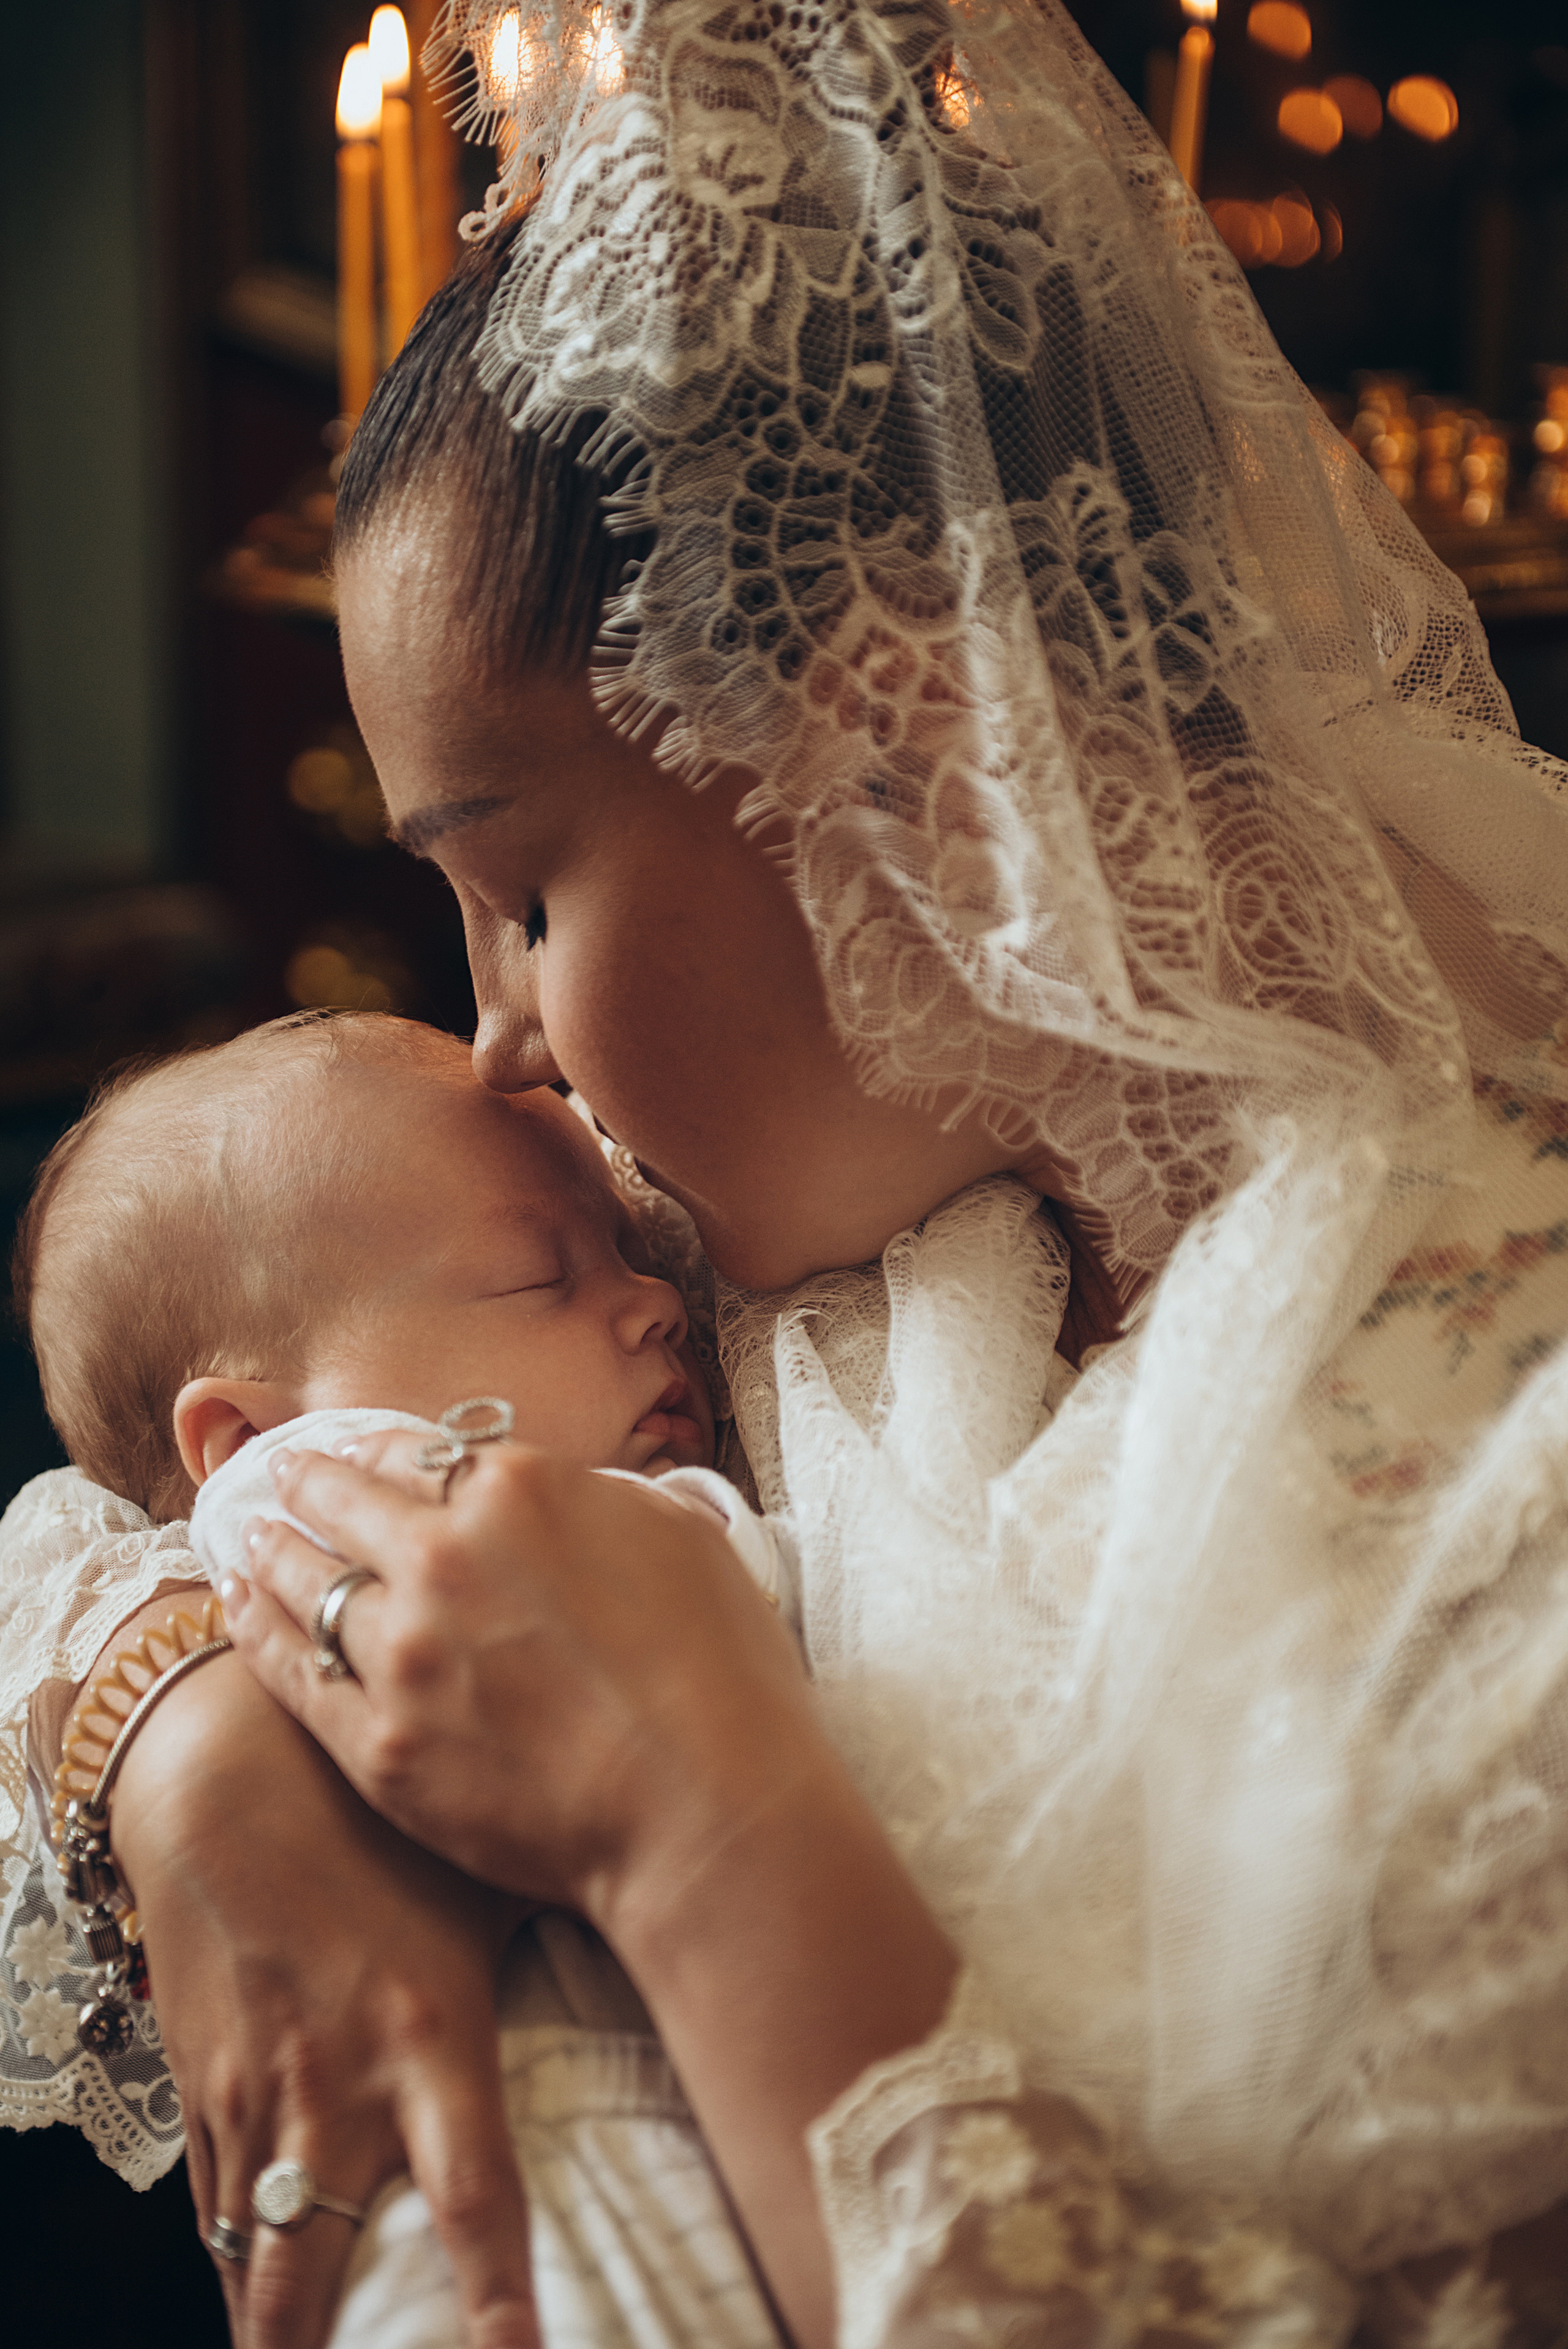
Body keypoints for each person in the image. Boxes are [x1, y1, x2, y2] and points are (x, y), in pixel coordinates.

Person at [5, 1, 1568, 2343]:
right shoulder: (743, 1232)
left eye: (519, 892)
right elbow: (162, 1446)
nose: (496, 1036)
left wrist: (697, 1820)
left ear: (913, 742)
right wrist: (196, 1754)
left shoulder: (1501, 1459)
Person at [20, 1006, 797, 2348]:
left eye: (628, 1249)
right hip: (547, 2195)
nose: (659, 1299)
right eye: (535, 1277)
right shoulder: (332, 1499)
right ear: (253, 1432)